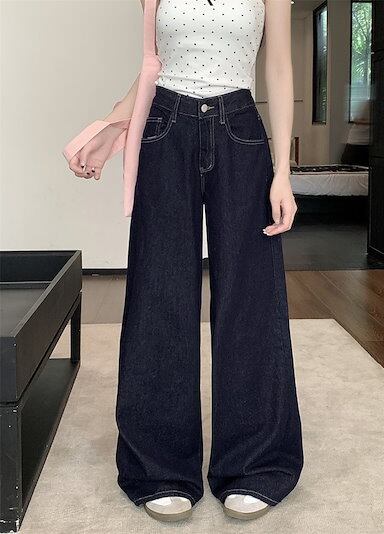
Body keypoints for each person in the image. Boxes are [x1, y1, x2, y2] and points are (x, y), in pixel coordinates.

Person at [67, 0, 303, 522]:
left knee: (250, 299)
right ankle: (160, 468)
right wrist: (110, 127)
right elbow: (151, 67)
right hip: (165, 127)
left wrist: (283, 172)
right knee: (159, 294)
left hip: (240, 127)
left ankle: (255, 464)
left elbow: (279, 66)